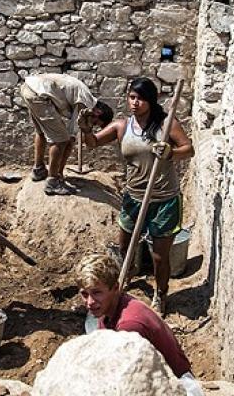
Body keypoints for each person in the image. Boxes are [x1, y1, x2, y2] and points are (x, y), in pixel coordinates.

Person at [82, 77, 193, 315]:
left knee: (159, 257)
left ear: (150, 101)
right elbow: (92, 144)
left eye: (140, 99)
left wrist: (170, 152)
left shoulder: (166, 125)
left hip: (164, 199)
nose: (135, 103)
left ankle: (161, 294)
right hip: (133, 198)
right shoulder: (122, 127)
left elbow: (188, 149)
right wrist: (85, 129)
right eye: (131, 97)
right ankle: (127, 277)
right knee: (124, 247)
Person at [76, 253, 204, 396]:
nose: (90, 302)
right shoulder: (109, 309)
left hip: (176, 387)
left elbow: (132, 383)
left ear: (115, 288)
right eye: (84, 294)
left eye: (97, 292)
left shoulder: (129, 327)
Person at [19, 73, 113, 196]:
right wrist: (60, 174)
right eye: (95, 122)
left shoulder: (85, 98)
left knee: (41, 132)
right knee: (61, 140)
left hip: (30, 88)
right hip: (39, 95)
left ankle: (39, 169)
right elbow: (69, 139)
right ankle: (53, 182)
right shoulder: (86, 105)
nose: (92, 124)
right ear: (98, 112)